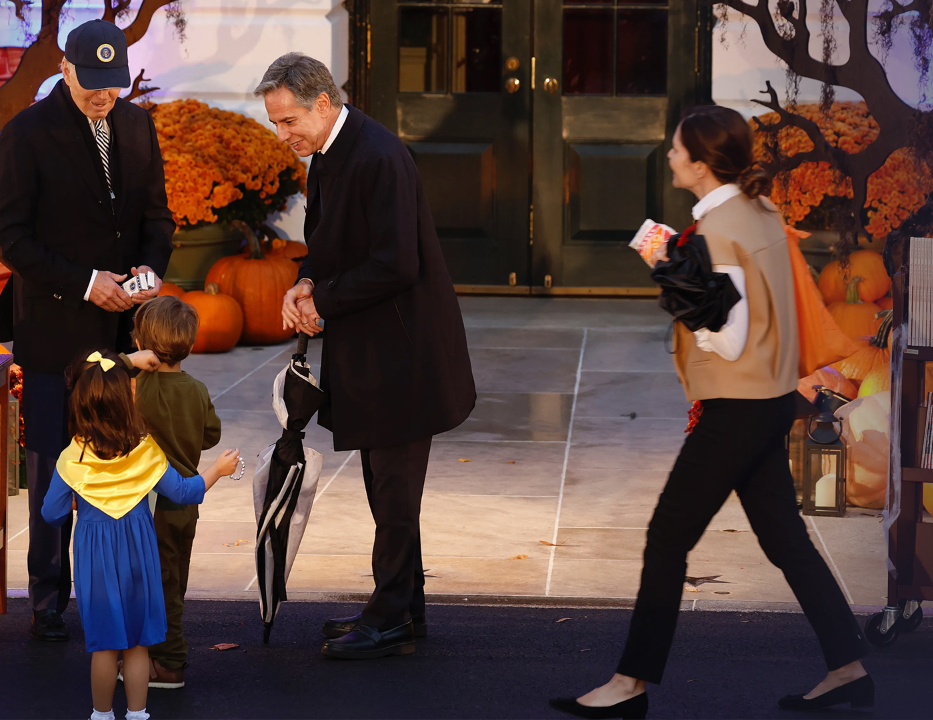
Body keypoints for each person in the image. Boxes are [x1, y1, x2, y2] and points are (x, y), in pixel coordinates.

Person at [549, 105, 871, 719]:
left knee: (667, 537)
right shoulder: (762, 212)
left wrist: (669, 271)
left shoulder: (719, 230)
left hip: (737, 408)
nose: (668, 155)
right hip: (772, 399)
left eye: (675, 149)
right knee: (785, 539)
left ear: (699, 163)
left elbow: (728, 336)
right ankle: (849, 668)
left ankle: (629, 685)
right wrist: (683, 267)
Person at [256, 53, 476, 660]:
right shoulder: (329, 153)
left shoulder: (378, 156)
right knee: (386, 487)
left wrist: (322, 299)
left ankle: (389, 620)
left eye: (289, 120)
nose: (283, 136)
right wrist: (306, 281)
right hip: (378, 350)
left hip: (406, 355)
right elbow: (334, 242)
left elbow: (395, 262)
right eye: (276, 123)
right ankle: (403, 609)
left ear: (323, 104)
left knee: (395, 490)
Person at [0, 18, 176, 642]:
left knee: (124, 455)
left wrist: (148, 270)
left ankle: (119, 584)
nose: (103, 96)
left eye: (111, 85)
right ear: (65, 69)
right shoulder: (26, 134)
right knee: (55, 465)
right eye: (91, 83)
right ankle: (48, 597)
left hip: (126, 331)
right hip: (56, 328)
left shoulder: (137, 124)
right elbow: (8, 237)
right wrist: (85, 280)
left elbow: (158, 216)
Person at [42, 348, 241, 720]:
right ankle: (137, 714)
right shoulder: (145, 451)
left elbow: (51, 514)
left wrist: (77, 499)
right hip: (138, 556)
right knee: (136, 647)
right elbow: (185, 492)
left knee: (104, 648)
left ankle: (101, 716)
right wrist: (217, 469)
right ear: (126, 404)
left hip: (96, 562)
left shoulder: (72, 459)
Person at [124, 296, 222, 689]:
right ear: (191, 343)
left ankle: (168, 663)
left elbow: (95, 371)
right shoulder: (196, 389)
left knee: (155, 585)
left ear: (141, 343)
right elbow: (211, 434)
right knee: (175, 581)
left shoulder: (138, 390)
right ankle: (164, 655)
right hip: (188, 501)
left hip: (151, 507)